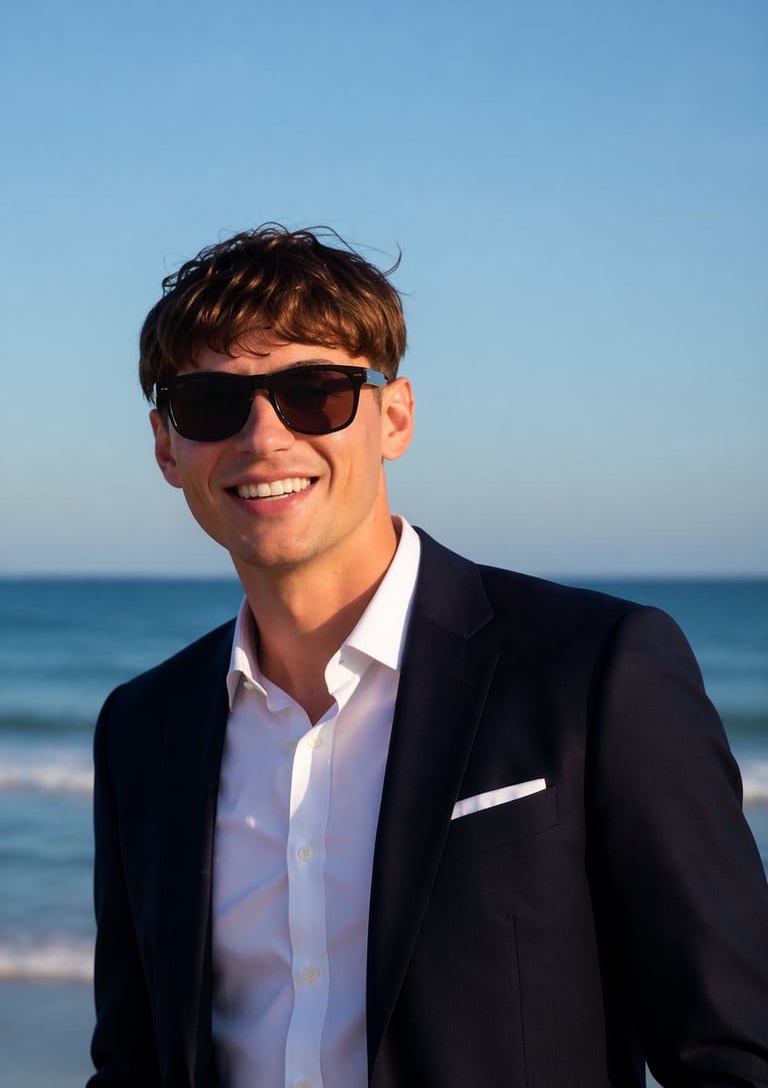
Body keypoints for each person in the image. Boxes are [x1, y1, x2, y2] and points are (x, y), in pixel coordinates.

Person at [88, 225, 768, 1088]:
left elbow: (736, 1049)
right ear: (166, 445)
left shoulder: (595, 671)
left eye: (314, 392)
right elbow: (133, 1062)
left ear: (394, 416)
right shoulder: (143, 728)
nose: (262, 438)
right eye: (213, 404)